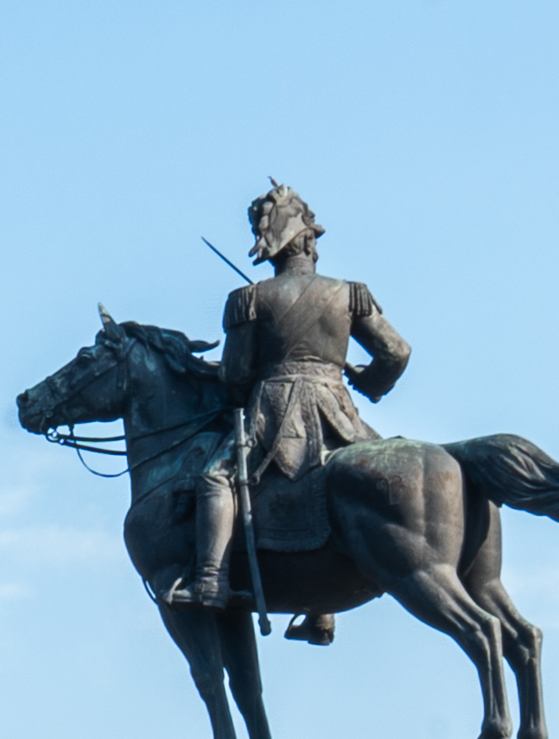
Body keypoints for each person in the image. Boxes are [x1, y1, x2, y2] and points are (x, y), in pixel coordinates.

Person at [166, 182, 414, 621]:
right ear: (307, 240)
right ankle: (322, 610)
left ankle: (210, 578)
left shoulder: (249, 299)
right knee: (337, 477)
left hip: (275, 408)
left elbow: (237, 374)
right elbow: (396, 352)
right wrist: (369, 382)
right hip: (337, 410)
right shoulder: (350, 293)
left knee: (214, 479)